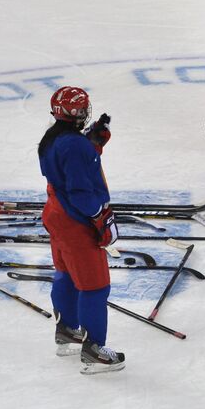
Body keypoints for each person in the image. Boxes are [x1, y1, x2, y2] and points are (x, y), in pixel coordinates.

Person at [37, 86, 125, 374]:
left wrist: (93, 144)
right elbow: (79, 189)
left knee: (66, 273)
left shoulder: (53, 139)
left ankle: (67, 329)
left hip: (56, 214)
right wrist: (101, 216)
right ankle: (94, 349)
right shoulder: (75, 146)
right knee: (95, 286)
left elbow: (68, 165)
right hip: (76, 221)